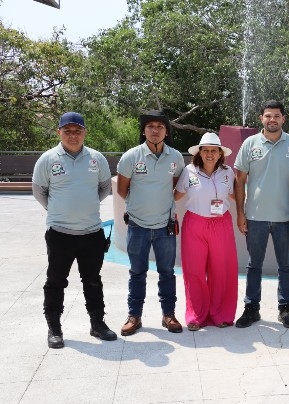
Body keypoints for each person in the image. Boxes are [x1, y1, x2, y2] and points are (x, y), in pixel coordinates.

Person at [32, 111, 117, 348]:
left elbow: (104, 188)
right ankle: (54, 328)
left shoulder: (96, 159)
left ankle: (97, 324)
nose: (73, 135)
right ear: (59, 132)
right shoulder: (48, 159)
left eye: (77, 131)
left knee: (93, 281)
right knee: (55, 281)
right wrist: (58, 209)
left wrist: (85, 206)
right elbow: (39, 191)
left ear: (84, 132)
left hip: (92, 233)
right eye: (67, 131)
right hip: (60, 234)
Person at [234, 100, 289, 328]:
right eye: (268, 115)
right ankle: (251, 308)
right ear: (261, 118)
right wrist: (240, 213)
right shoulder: (250, 144)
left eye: (276, 116)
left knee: (286, 265)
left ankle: (286, 309)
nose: (272, 119)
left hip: (285, 218)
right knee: (254, 265)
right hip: (255, 217)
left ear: (283, 118)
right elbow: (239, 180)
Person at [116, 110, 185, 335]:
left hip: (165, 226)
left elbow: (174, 186)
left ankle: (169, 315)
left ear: (167, 131)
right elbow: (122, 190)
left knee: (167, 273)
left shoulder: (176, 158)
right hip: (138, 226)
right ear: (144, 131)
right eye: (150, 127)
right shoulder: (131, 157)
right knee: (137, 272)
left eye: (160, 127)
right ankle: (134, 316)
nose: (155, 130)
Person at [174, 133, 238, 330]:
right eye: (206, 150)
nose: (210, 154)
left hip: (221, 223)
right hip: (195, 223)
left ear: (220, 154)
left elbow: (236, 195)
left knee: (222, 270)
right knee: (194, 271)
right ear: (199, 153)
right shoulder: (189, 171)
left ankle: (221, 314)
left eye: (214, 150)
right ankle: (196, 315)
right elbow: (175, 196)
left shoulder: (228, 172)